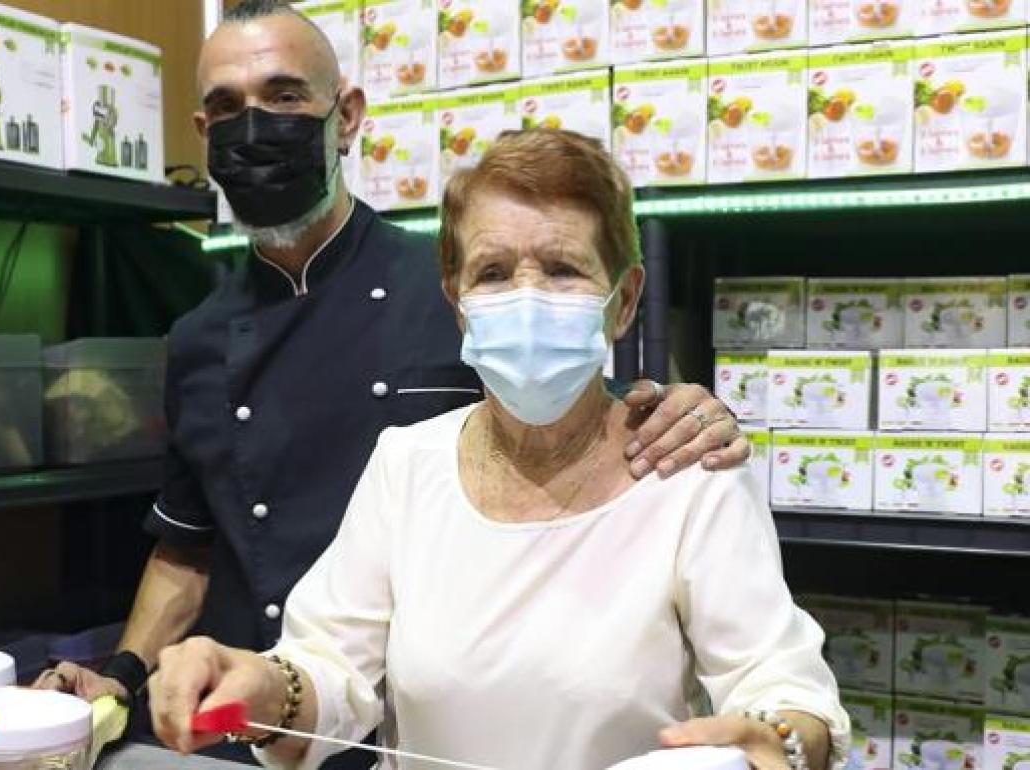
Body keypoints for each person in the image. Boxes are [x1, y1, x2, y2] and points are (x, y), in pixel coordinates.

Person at [37, 1, 749, 765]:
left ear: (346, 117)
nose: (255, 127)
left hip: (428, 712)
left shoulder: (470, 290)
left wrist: (690, 407)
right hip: (266, 706)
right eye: (226, 108)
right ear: (204, 136)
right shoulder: (197, 338)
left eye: (283, 97)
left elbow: (595, 422)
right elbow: (185, 547)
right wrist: (122, 672)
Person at [146, 129, 849, 770]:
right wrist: (259, 685)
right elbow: (330, 666)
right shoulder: (408, 465)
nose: (528, 296)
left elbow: (786, 690)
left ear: (625, 300)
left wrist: (778, 739)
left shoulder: (687, 475)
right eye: (493, 272)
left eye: (563, 269)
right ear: (456, 302)